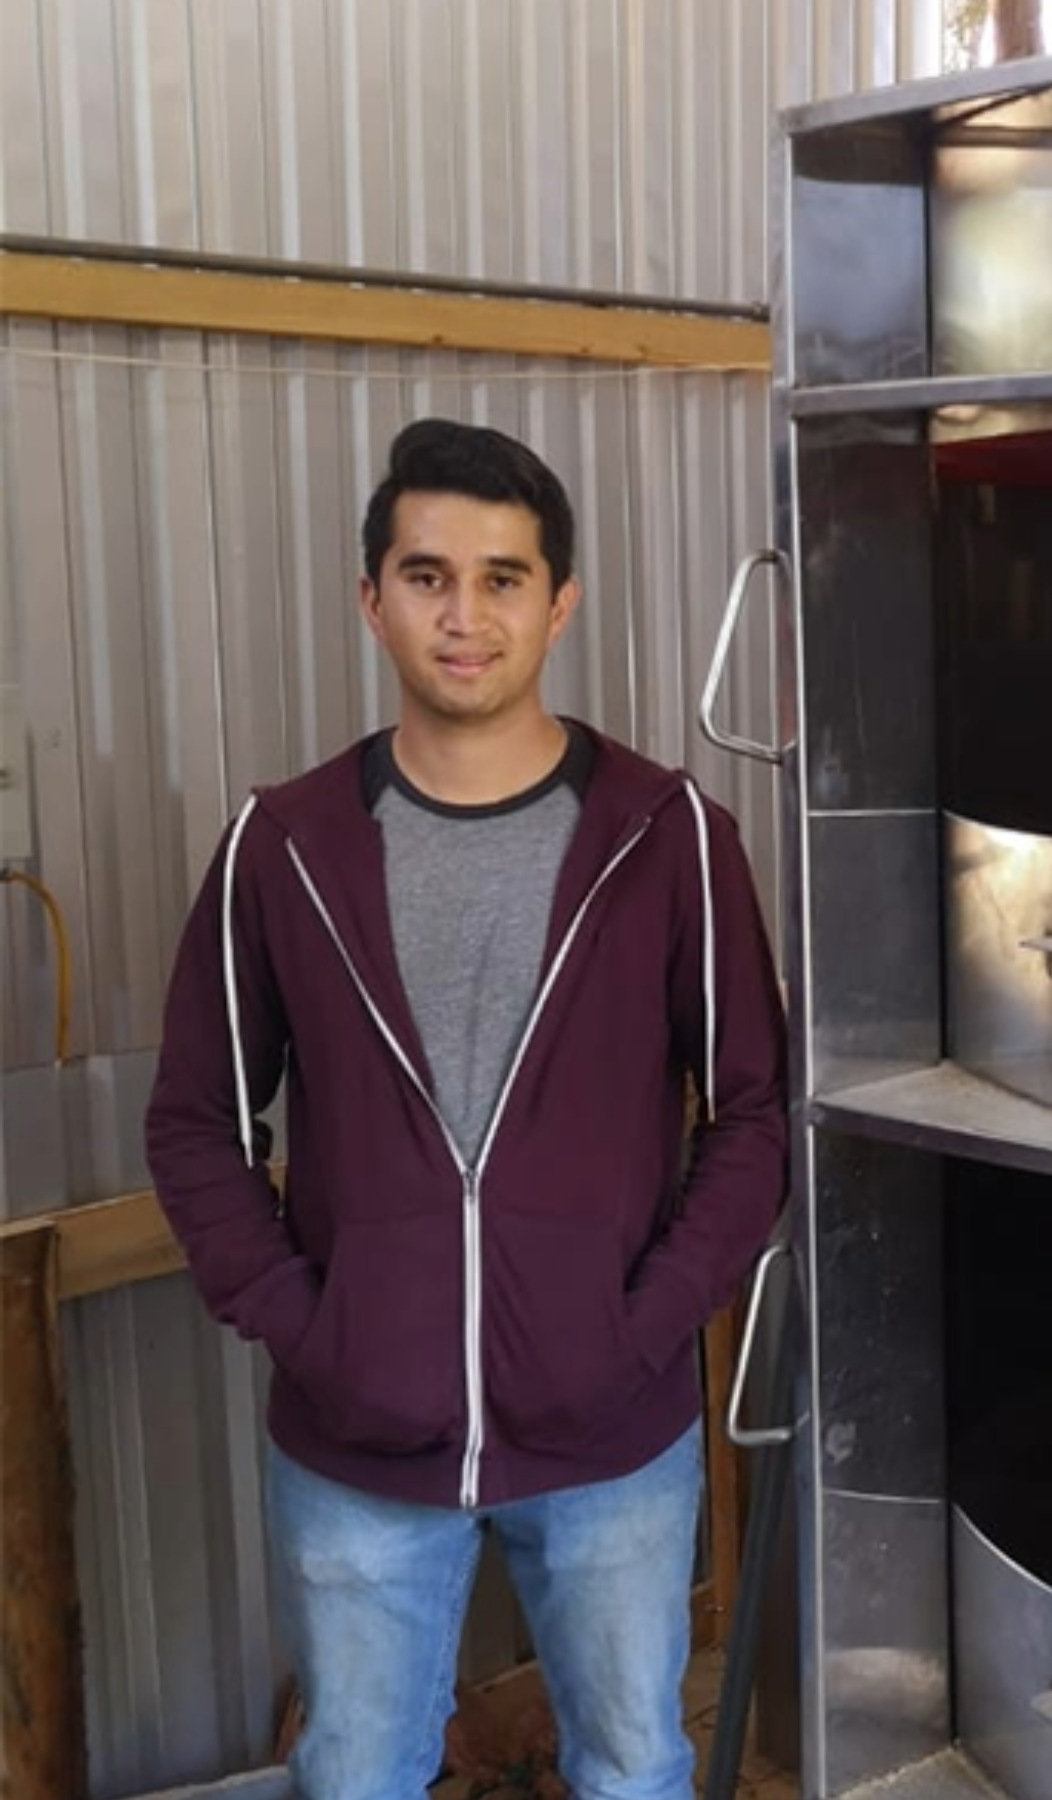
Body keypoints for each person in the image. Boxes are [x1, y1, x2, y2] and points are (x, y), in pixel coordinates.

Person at [146, 419, 788, 1800]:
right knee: (358, 1775)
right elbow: (196, 1119)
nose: (465, 614)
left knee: (633, 1770)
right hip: (357, 1445)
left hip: (613, 1437)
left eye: (504, 578)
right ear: (371, 599)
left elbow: (754, 1115)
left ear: (560, 604)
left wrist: (642, 1327)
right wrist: (314, 1330)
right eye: (427, 575)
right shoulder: (282, 847)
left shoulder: (671, 837)